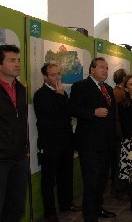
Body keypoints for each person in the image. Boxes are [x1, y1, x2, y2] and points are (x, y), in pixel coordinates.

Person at [69, 57, 117, 222]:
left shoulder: (108, 89)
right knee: (91, 180)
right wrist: (93, 112)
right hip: (89, 144)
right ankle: (89, 216)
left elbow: (113, 117)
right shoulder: (80, 86)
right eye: (102, 67)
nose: (105, 70)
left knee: (102, 179)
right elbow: (72, 109)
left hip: (106, 143)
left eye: (107, 68)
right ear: (91, 69)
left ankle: (98, 208)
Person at [33, 63, 78, 222]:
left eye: (59, 73)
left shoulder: (62, 93)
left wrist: (61, 96)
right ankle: (50, 212)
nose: (57, 77)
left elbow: (68, 114)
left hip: (66, 142)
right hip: (50, 143)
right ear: (45, 76)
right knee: (48, 180)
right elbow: (51, 116)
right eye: (53, 74)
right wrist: (59, 96)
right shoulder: (40, 95)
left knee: (66, 176)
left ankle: (66, 204)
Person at [0, 45, 28, 221]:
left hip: (19, 158)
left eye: (18, 60)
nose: (17, 64)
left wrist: (25, 147)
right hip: (0, 159)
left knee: (16, 206)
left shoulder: (21, 89)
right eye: (12, 60)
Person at [117, 74, 132, 215]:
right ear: (126, 88)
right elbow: (125, 123)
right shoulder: (123, 104)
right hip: (130, 143)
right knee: (130, 174)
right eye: (131, 84)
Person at [111, 68, 127, 188]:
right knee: (119, 160)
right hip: (119, 131)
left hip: (118, 130)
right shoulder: (119, 93)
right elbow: (118, 115)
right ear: (123, 79)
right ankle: (118, 187)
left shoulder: (116, 91)